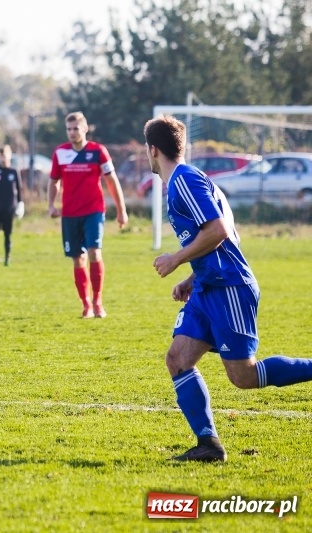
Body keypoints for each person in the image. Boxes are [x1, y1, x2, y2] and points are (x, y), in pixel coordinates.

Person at [144, 115, 312, 462]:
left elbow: (220, 229)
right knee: (178, 359)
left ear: (152, 150)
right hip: (209, 285)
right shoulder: (188, 180)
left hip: (229, 287)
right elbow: (220, 235)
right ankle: (208, 445)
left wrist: (176, 258)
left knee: (244, 376)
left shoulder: (185, 181)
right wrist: (192, 277)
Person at [49, 111, 128, 318]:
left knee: (94, 252)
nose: (72, 132)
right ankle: (85, 304)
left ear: (85, 129)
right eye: (69, 129)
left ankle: (98, 301)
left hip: (93, 211)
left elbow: (112, 181)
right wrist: (50, 205)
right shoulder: (60, 153)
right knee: (78, 259)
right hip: (69, 214)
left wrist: (121, 210)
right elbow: (54, 181)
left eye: (76, 128)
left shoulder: (98, 151)